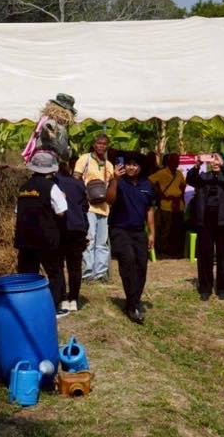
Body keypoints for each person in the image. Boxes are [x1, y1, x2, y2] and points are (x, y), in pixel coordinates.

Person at [15, 151, 68, 317]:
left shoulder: (23, 188)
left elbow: (17, 211)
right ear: (51, 170)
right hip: (46, 238)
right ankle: (53, 307)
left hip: (25, 239)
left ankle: (28, 307)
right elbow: (61, 211)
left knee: (27, 275)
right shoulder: (52, 187)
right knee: (54, 273)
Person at [106, 152, 155, 324]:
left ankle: (134, 300)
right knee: (128, 262)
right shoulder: (118, 182)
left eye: (135, 164)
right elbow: (109, 200)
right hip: (119, 230)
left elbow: (149, 209)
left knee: (141, 266)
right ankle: (132, 305)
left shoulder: (147, 185)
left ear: (140, 167)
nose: (131, 167)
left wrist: (152, 233)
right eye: (128, 164)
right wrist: (114, 180)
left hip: (138, 231)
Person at [187, 153, 224, 300]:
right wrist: (197, 164)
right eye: (212, 159)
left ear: (222, 161)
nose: (214, 162)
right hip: (205, 220)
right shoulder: (204, 176)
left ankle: (222, 288)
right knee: (204, 255)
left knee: (223, 255)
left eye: (217, 159)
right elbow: (190, 179)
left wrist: (223, 166)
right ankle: (205, 288)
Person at [74, 134, 114, 282]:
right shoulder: (84, 159)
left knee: (102, 243)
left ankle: (100, 273)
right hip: (88, 207)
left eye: (104, 144)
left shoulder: (109, 165)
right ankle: (87, 273)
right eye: (99, 143)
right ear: (94, 144)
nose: (101, 146)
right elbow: (75, 179)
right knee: (89, 240)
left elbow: (111, 186)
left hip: (104, 208)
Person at [56, 161, 89, 312]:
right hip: (78, 228)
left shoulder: (53, 183)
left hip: (60, 228)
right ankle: (74, 299)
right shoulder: (78, 184)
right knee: (74, 266)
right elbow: (85, 207)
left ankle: (62, 297)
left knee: (58, 265)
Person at [149, 153, 187, 259]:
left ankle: (176, 252)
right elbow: (149, 181)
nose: (177, 163)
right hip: (166, 205)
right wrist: (158, 191)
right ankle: (162, 252)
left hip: (178, 206)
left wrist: (180, 195)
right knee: (165, 230)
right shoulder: (161, 173)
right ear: (169, 162)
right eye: (174, 161)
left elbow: (183, 185)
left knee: (178, 230)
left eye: (178, 161)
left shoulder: (179, 173)